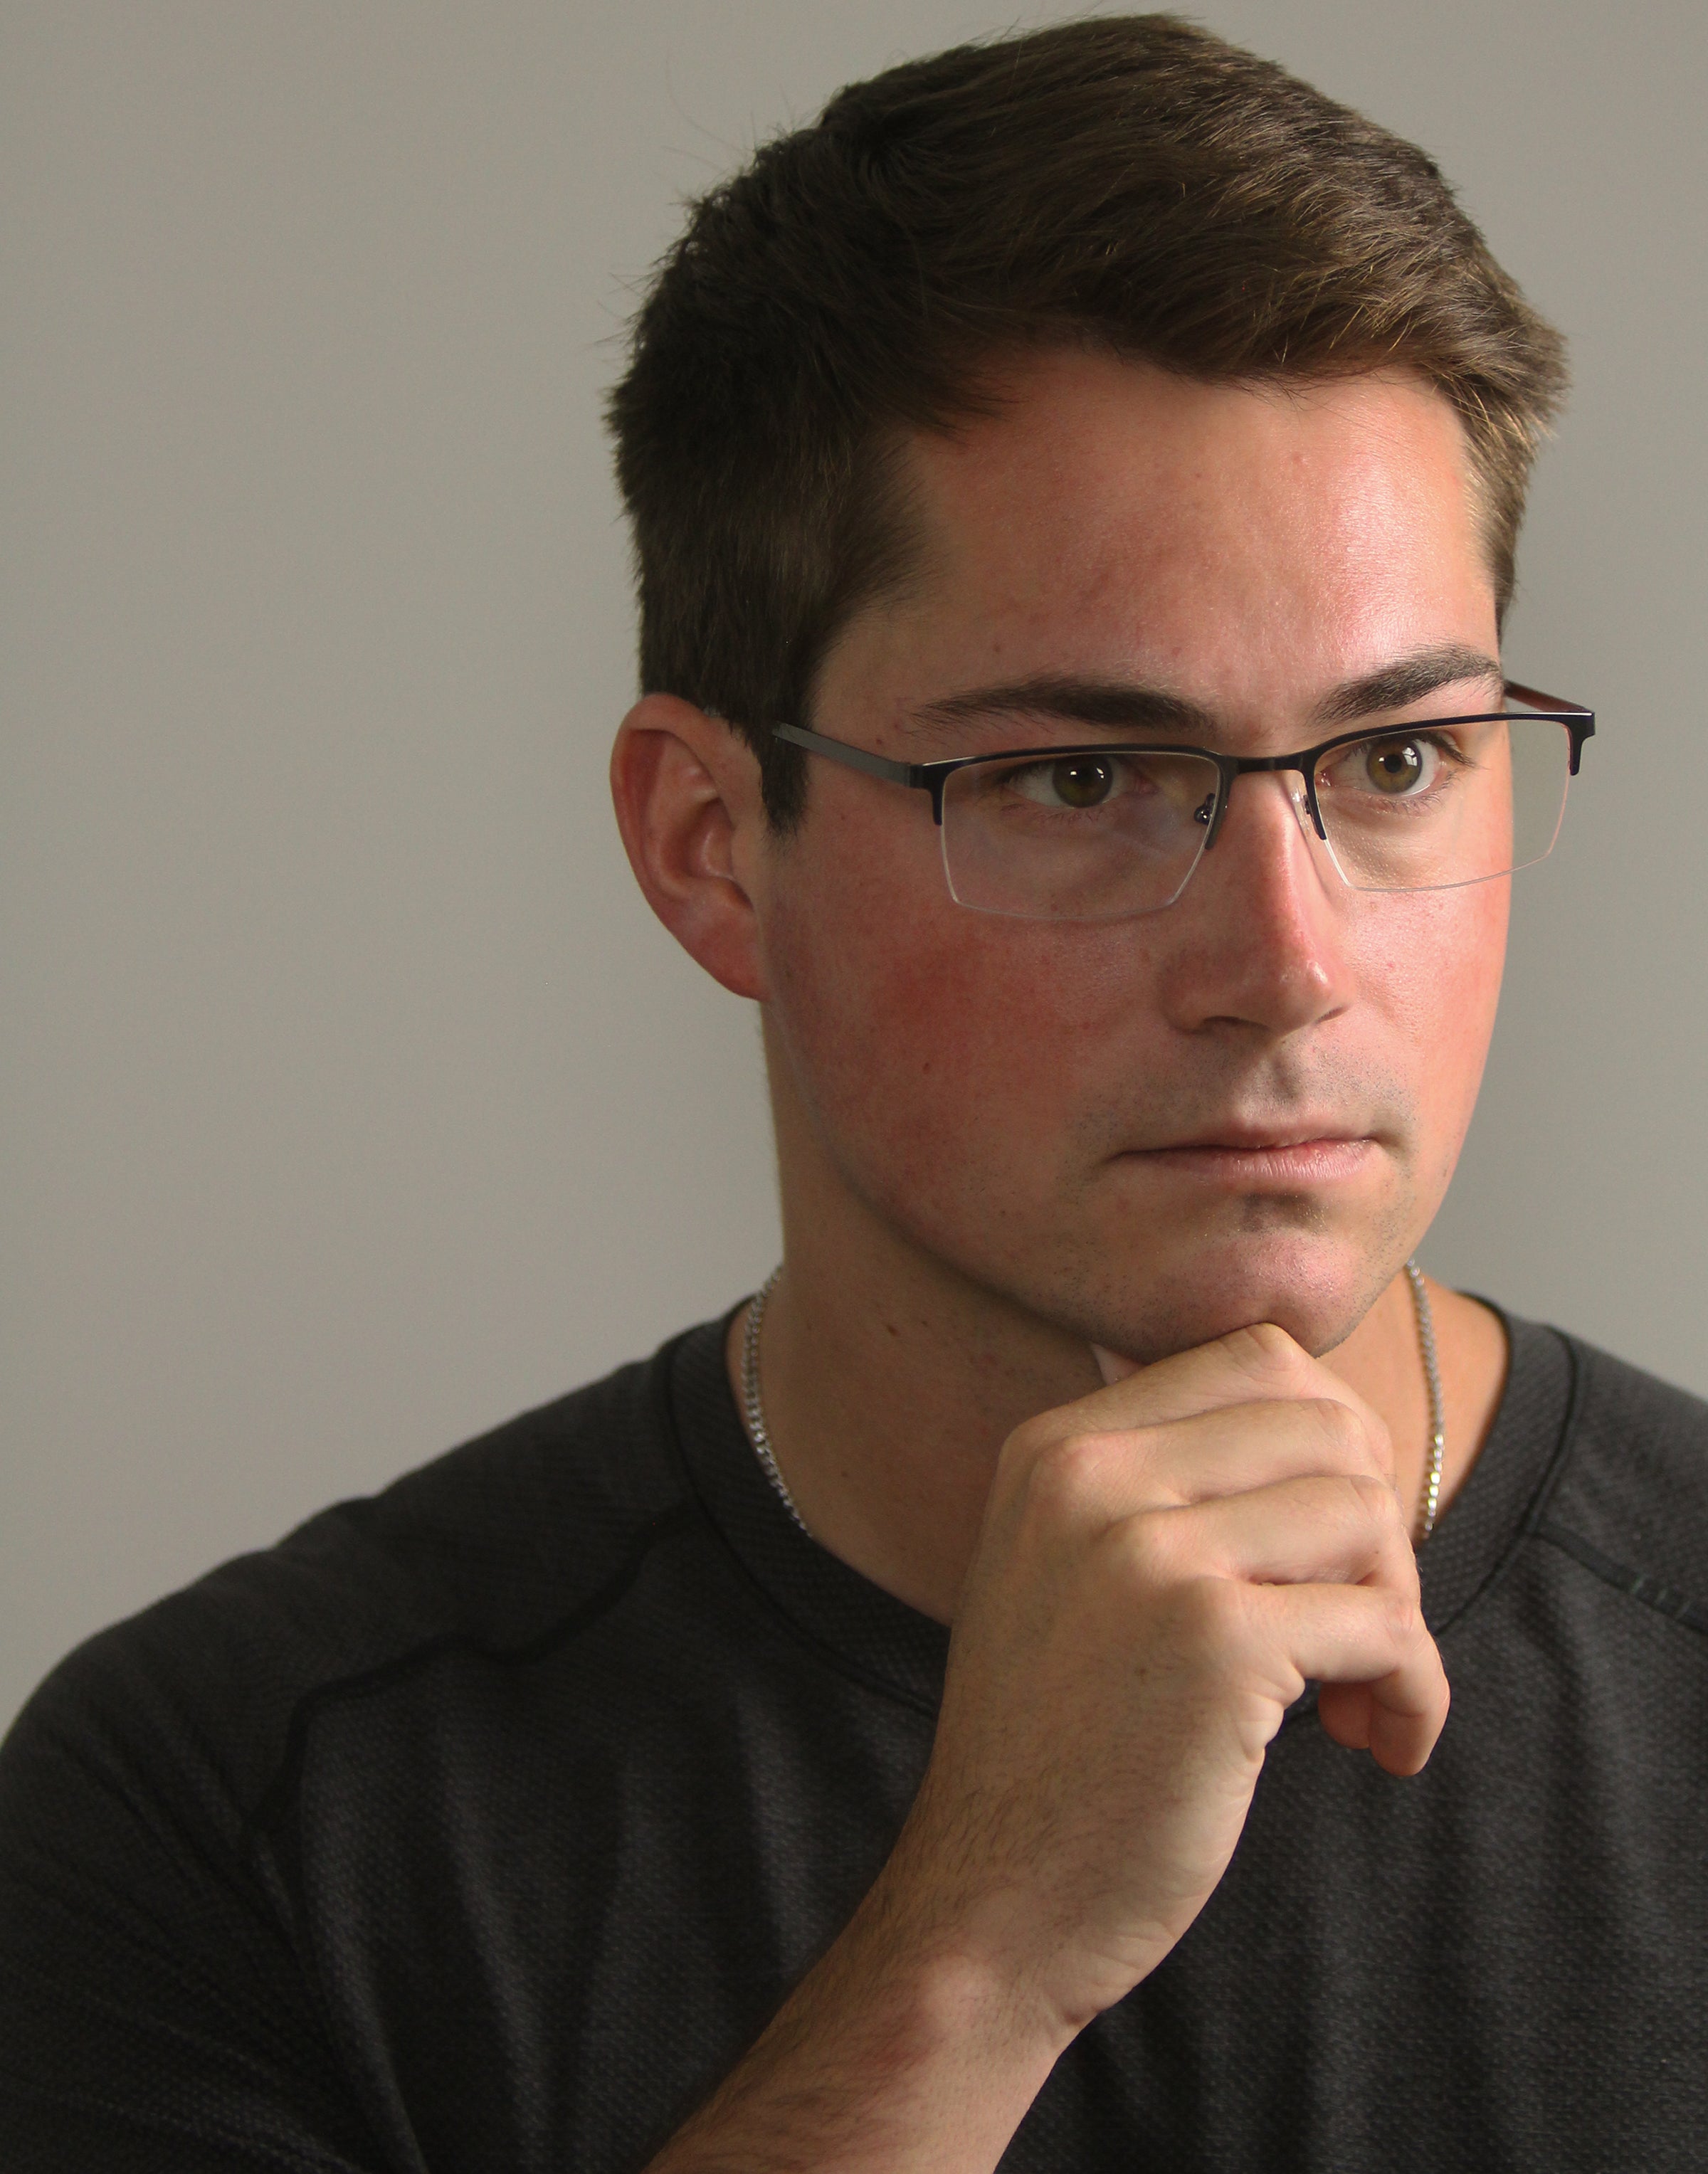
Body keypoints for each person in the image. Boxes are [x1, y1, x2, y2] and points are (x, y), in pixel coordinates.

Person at [3, 14, 1705, 2172]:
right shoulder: (229, 1818)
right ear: (713, 846)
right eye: (1081, 780)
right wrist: (978, 1955)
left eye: (1394, 761)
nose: (1289, 965)